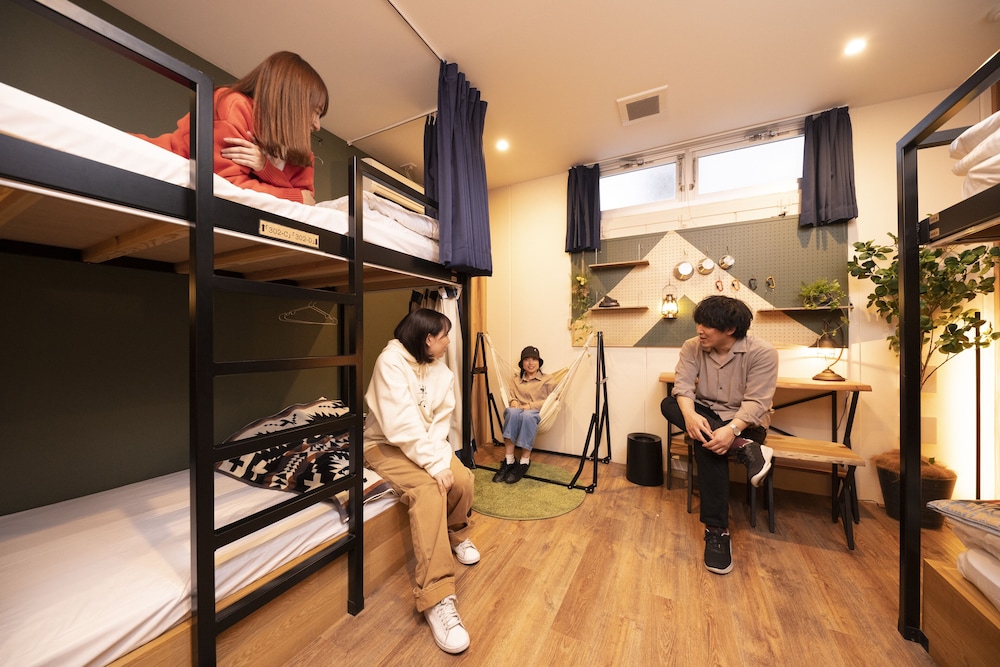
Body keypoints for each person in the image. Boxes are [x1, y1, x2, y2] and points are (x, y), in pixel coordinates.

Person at [363, 308, 478, 654]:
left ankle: (455, 534)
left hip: (425, 444)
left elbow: (441, 420)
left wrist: (439, 459)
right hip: (384, 444)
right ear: (428, 339)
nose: (448, 343)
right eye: (444, 336)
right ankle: (437, 597)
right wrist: (432, 466)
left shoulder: (441, 370)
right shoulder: (390, 363)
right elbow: (399, 424)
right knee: (430, 488)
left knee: (463, 479)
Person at [660, 296, 778, 575]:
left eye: (708, 325)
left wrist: (731, 431)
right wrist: (690, 415)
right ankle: (745, 448)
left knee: (706, 444)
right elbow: (683, 387)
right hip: (708, 415)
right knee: (669, 404)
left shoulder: (762, 352)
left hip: (745, 422)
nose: (700, 330)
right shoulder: (692, 346)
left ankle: (716, 532)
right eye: (699, 323)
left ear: (730, 330)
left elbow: (757, 403)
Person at [136, 51, 327, 204]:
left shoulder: (303, 155)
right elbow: (226, 186)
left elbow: (308, 201)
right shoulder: (234, 106)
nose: (317, 125)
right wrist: (293, 196)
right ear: (293, 101)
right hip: (151, 158)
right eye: (316, 112)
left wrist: (265, 168)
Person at [492, 345, 555, 484]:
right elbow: (512, 396)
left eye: (534, 359)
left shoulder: (548, 380)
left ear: (539, 362)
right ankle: (509, 460)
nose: (530, 363)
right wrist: (513, 401)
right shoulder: (515, 380)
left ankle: (524, 462)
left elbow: (554, 399)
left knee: (527, 415)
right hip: (518, 412)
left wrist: (530, 406)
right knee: (510, 411)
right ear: (522, 363)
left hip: (536, 413)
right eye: (526, 359)